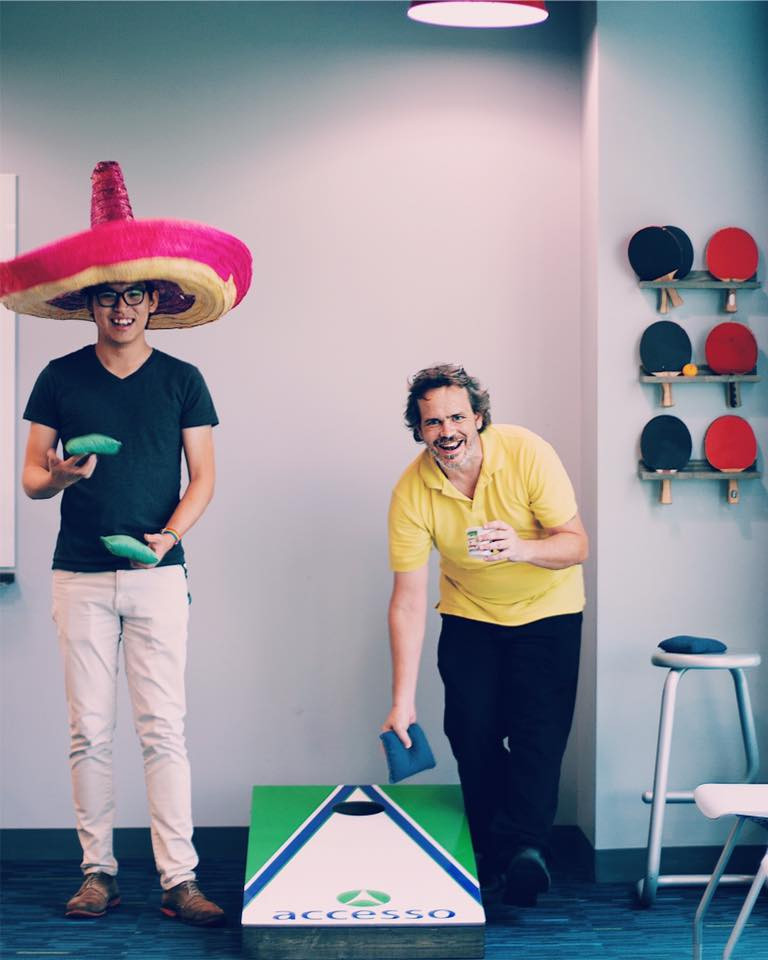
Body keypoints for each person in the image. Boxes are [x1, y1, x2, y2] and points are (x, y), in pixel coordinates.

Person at [2, 161, 252, 926]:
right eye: (108, 293)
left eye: (134, 293)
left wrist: (168, 537)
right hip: (78, 575)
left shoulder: (183, 379)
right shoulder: (58, 376)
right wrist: (64, 477)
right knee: (89, 732)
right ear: (90, 301)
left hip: (157, 578)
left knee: (162, 728)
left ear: (155, 300)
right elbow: (30, 481)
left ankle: (180, 881)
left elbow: (204, 476)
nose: (121, 306)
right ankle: (98, 874)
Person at [382, 364, 588, 907]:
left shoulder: (527, 453)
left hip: (549, 613)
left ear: (478, 416)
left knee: (537, 738)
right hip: (471, 616)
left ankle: (527, 851)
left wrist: (520, 547)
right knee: (471, 734)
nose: (447, 430)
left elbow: (575, 543)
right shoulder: (412, 491)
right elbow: (406, 600)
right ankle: (494, 853)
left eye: (456, 416)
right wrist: (401, 703)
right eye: (432, 422)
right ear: (420, 431)